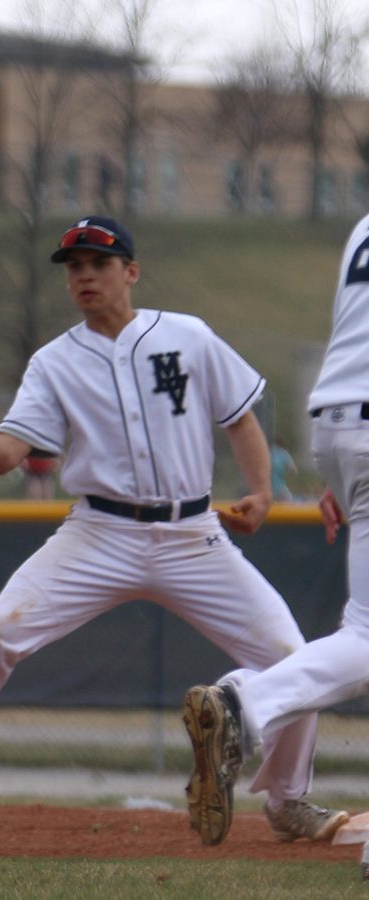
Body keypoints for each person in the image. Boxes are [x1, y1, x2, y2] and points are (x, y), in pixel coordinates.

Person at [0, 214, 338, 844]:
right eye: (74, 266)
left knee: (295, 659)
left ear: (130, 272)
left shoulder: (188, 337)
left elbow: (240, 417)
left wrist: (264, 491)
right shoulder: (55, 362)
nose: (83, 275)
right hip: (98, 536)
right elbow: (3, 456)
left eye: (98, 263)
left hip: (193, 536)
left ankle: (289, 801)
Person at [181, 214, 369, 861]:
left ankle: (242, 704)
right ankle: (245, 705)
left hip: (339, 424)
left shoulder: (363, 227)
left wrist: (348, 476)